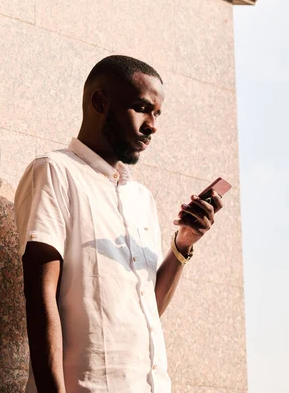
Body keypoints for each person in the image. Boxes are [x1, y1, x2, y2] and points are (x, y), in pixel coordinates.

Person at [14, 55, 224, 393]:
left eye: (157, 114)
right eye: (142, 108)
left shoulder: (141, 198)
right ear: (100, 102)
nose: (152, 125)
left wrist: (183, 244)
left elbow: (147, 309)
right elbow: (40, 301)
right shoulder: (54, 171)